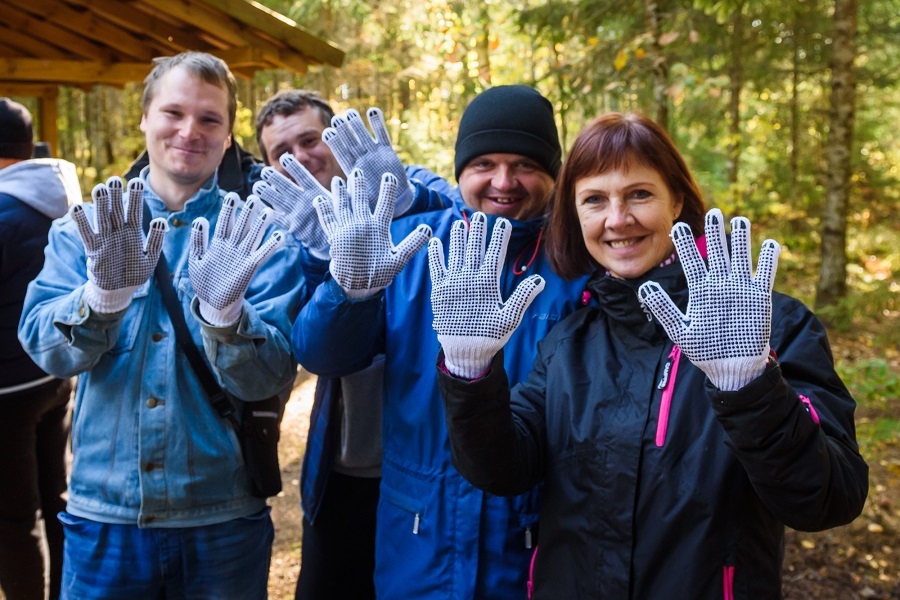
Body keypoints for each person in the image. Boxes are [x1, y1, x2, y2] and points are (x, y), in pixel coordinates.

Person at [430, 112, 870, 599]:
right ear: (575, 217)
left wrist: (751, 391)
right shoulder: (568, 342)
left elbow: (829, 499)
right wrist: (470, 373)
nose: (618, 219)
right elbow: (503, 469)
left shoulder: (773, 326)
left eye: (639, 194)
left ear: (677, 201)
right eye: (595, 200)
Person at [18, 51, 305, 600]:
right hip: (105, 516)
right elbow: (44, 349)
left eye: (209, 119)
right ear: (145, 117)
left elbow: (267, 378)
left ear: (227, 137)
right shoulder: (86, 227)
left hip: (222, 516)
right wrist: (99, 298)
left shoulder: (258, 236)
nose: (188, 131)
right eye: (173, 112)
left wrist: (227, 318)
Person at [292, 85, 592, 599]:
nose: (504, 181)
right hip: (418, 537)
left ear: (554, 172)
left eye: (524, 164)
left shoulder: (578, 264)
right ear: (460, 170)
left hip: (534, 539)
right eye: (485, 164)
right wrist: (349, 293)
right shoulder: (411, 246)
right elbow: (324, 355)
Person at [253, 89, 453, 599]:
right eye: (282, 152)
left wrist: (406, 203)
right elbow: (308, 342)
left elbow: (464, 217)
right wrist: (323, 256)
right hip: (347, 461)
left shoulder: (409, 188)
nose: (300, 157)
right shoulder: (286, 232)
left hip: (432, 456)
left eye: (310, 139)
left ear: (339, 140)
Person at [0, 98, 81, 600]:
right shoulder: (61, 199)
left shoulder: (4, 211)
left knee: (12, 517)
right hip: (56, 373)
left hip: (6, 388)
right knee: (57, 500)